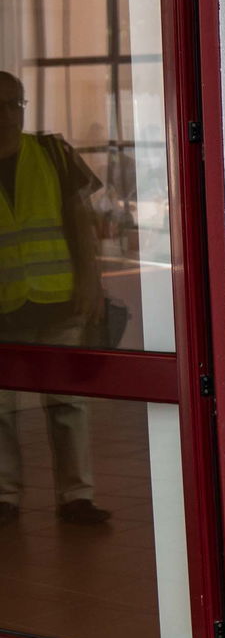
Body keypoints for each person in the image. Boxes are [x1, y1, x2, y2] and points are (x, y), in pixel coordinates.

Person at [0, 69, 111, 526]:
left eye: (14, 104)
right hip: (5, 309)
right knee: (1, 409)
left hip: (58, 300)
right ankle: (5, 497)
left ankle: (76, 496)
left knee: (67, 403)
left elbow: (81, 224)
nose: (7, 115)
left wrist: (90, 282)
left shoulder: (52, 154)